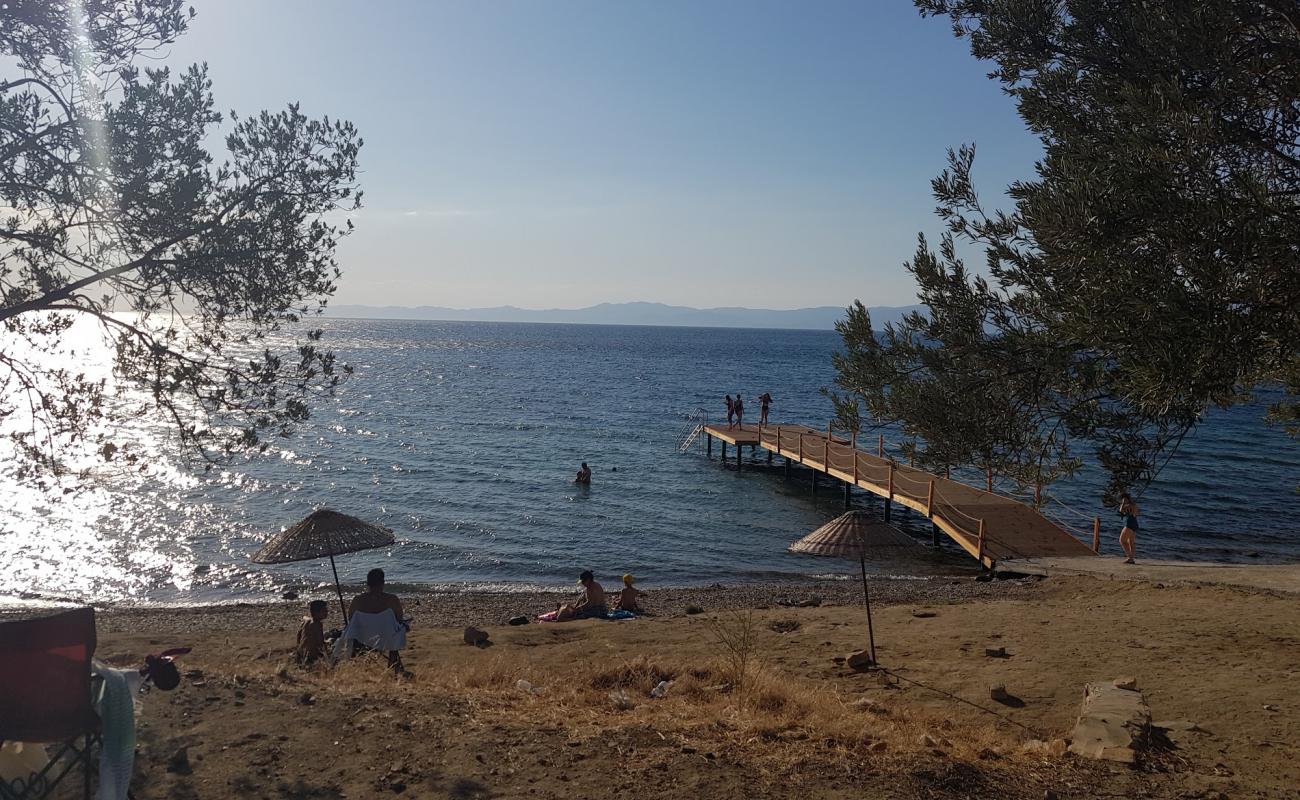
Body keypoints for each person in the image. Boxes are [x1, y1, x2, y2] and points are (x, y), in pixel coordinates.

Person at [344, 568, 409, 672]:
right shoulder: (392, 599)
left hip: (362, 637)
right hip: (387, 639)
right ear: (383, 582)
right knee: (398, 628)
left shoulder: (358, 600)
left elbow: (351, 619)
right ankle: (393, 662)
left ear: (367, 583)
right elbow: (399, 618)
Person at [296, 599, 329, 666]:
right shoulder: (318, 625)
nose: (327, 612)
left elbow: (298, 635)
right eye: (324, 611)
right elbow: (321, 644)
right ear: (317, 613)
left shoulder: (307, 622)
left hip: (301, 654)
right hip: (312, 657)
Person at [1118, 493, 1140, 564]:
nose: (1123, 501)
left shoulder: (1131, 505)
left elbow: (1134, 513)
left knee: (1121, 540)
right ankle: (1131, 559)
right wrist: (1123, 503)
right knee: (1131, 542)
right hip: (1134, 524)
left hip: (1129, 524)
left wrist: (1127, 504)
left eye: (1124, 499)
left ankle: (1130, 557)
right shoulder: (1130, 505)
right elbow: (1121, 511)